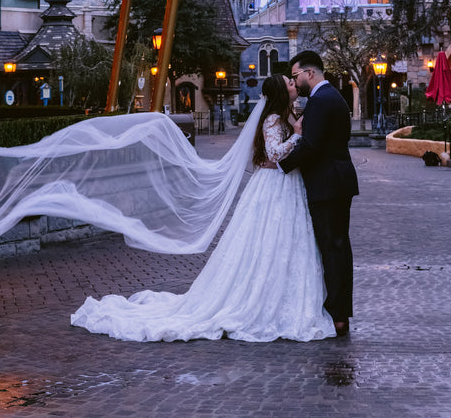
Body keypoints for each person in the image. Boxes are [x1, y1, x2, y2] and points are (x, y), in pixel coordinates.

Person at [69, 72, 335, 341]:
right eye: (289, 83)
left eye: (293, 80)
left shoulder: (284, 115)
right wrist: (297, 136)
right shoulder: (273, 119)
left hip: (284, 183)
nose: (293, 84)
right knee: (266, 240)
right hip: (274, 185)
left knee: (284, 242)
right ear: (281, 91)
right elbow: (273, 153)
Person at [278, 50, 359, 337]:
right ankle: (339, 312)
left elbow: (311, 145)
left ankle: (338, 315)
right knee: (336, 247)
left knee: (333, 249)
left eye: (296, 75)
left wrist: (280, 165)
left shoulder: (322, 100)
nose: (295, 81)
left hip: (328, 185)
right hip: (335, 182)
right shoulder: (330, 97)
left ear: (310, 74)